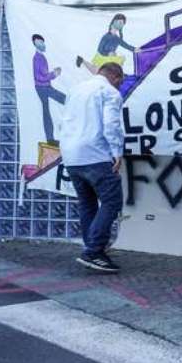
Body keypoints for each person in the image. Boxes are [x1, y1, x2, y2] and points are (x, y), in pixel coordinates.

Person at [60, 62, 125, 273]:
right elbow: (111, 124)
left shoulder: (76, 90)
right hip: (95, 154)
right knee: (112, 200)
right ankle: (94, 251)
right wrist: (117, 152)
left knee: (87, 203)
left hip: (71, 156)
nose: (120, 87)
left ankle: (91, 247)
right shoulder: (109, 92)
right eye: (120, 83)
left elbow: (65, 121)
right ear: (115, 76)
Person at [31, 34, 64, 145]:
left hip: (45, 86)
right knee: (64, 100)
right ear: (35, 44)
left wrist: (52, 73)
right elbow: (38, 77)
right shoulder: (37, 58)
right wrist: (53, 74)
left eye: (42, 42)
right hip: (42, 87)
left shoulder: (42, 57)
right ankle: (50, 138)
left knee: (48, 109)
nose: (42, 44)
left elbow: (43, 73)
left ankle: (50, 138)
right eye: (39, 42)